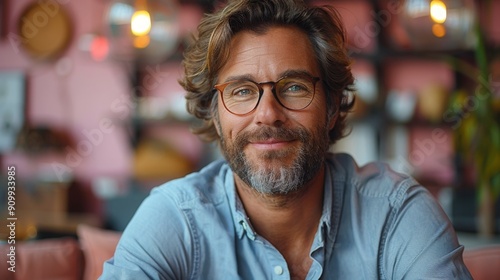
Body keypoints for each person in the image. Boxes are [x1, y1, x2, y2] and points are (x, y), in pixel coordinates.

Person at [101, 0, 472, 279]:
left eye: (293, 87)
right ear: (213, 112)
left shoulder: (398, 215)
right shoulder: (174, 220)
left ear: (331, 106)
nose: (268, 113)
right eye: (242, 91)